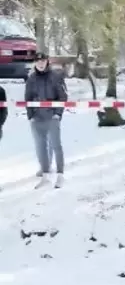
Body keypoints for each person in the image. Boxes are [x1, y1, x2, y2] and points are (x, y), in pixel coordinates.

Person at [25, 52, 67, 189]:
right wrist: (30, 116)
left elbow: (63, 97)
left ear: (47, 62)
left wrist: (58, 114)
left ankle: (60, 176)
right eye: (38, 61)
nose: (40, 63)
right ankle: (45, 176)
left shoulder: (55, 76)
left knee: (56, 145)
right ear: (35, 63)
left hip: (52, 116)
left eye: (43, 61)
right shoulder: (31, 78)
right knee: (41, 147)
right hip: (37, 118)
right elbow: (28, 98)